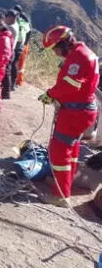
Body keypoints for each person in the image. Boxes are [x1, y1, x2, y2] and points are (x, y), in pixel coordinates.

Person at [37, 25, 100, 207]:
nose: (56, 53)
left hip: (75, 112)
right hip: (83, 110)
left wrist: (50, 94)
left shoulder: (78, 57)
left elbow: (70, 85)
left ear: (64, 43)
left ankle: (60, 195)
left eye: (55, 48)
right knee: (71, 149)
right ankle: (65, 182)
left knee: (59, 150)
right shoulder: (83, 52)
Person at [13, 4, 32, 86]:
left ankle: (17, 81)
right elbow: (29, 32)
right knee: (20, 63)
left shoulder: (21, 21)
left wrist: (24, 44)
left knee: (18, 63)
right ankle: (18, 81)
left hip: (21, 44)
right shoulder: (25, 19)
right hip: (24, 44)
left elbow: (28, 32)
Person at [3, 10, 20, 96]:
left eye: (7, 17)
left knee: (6, 72)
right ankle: (7, 90)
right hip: (11, 51)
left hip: (7, 52)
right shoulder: (15, 25)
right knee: (8, 71)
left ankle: (6, 92)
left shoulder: (11, 28)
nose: (5, 19)